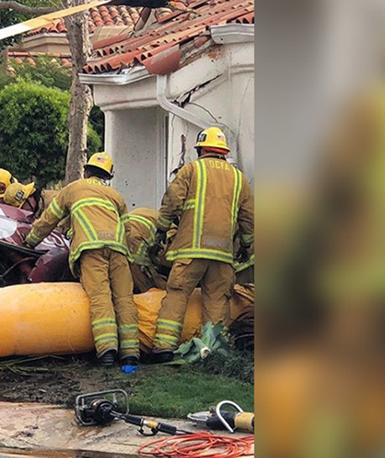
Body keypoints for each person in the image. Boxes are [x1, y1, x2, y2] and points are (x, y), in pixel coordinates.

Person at [24, 152, 138, 368]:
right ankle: (131, 354)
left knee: (100, 298)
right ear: (108, 176)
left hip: (91, 249)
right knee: (124, 299)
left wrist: (30, 240)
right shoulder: (116, 196)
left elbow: (49, 219)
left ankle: (107, 351)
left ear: (86, 171)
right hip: (118, 249)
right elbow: (128, 229)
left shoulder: (73, 189)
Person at [150, 127, 254, 363]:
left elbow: (172, 201)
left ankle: (164, 347)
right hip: (222, 254)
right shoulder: (238, 178)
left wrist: (161, 230)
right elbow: (249, 218)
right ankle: (214, 351)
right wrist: (247, 246)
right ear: (223, 152)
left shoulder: (192, 170)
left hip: (191, 250)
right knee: (218, 301)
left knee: (177, 294)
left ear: (201, 149)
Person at [122, 208, 168, 292]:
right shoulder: (174, 232)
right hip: (136, 239)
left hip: (122, 234)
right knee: (142, 277)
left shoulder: (152, 213)